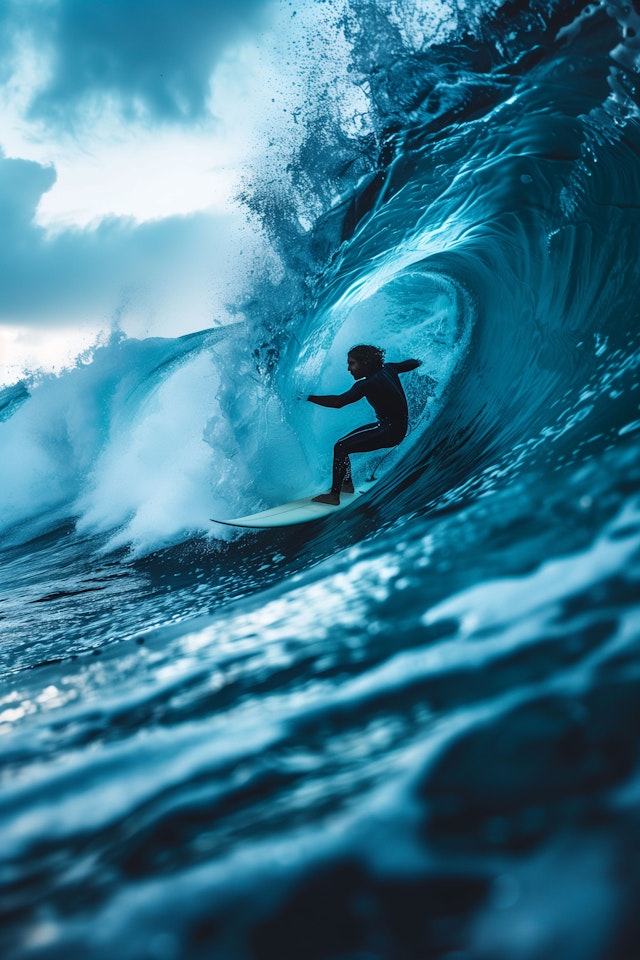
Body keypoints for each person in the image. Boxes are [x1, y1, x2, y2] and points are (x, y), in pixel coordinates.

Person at [307, 344, 421, 505]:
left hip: (388, 431)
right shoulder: (388, 369)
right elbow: (410, 364)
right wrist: (419, 361)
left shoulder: (366, 384)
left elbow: (338, 402)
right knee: (342, 446)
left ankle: (334, 496)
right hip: (398, 428)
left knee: (340, 447)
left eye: (352, 363)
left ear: (365, 363)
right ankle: (346, 485)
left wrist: (308, 397)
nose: (349, 369)